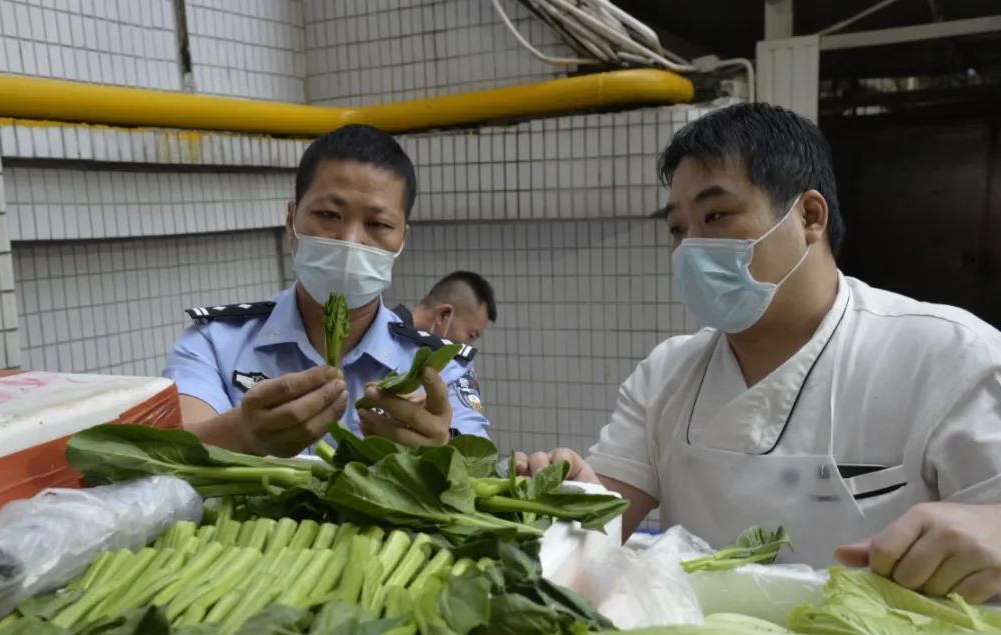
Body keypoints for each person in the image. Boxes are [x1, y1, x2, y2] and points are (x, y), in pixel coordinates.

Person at [518, 103, 1001, 602]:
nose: (691, 250)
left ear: (809, 216)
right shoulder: (667, 373)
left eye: (716, 216)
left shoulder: (950, 355)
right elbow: (598, 527)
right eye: (678, 229)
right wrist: (572, 496)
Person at [164, 124, 488, 458]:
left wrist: (440, 453)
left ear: (402, 240)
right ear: (291, 220)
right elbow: (170, 453)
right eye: (329, 215)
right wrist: (240, 433)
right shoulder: (213, 343)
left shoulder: (442, 367)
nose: (349, 241)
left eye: (378, 224)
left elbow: (477, 466)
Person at [392, 271, 497, 347]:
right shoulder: (384, 336)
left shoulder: (412, 345)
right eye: (471, 335)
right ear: (444, 315)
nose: (468, 345)